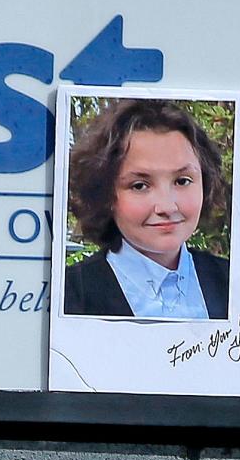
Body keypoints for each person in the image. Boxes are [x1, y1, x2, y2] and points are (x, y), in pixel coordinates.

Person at [64, 97, 230, 321]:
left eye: (182, 181)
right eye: (140, 186)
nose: (167, 206)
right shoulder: (69, 296)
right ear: (104, 194)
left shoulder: (235, 285)